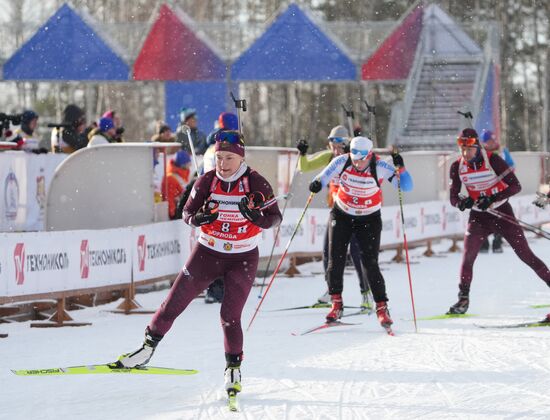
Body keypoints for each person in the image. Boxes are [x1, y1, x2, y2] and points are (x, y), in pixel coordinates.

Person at [117, 130, 282, 399]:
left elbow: (275, 217)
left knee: (230, 316)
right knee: (173, 303)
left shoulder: (255, 182)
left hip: (242, 257)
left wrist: (257, 218)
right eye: (218, 157)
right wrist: (200, 218)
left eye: (228, 158)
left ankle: (233, 369)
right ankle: (145, 349)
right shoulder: (207, 180)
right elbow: (186, 213)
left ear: (240, 158)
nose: (222, 163)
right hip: (207, 252)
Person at [308, 136, 413, 329]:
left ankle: (382, 307)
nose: (357, 163)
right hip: (342, 214)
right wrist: (316, 184)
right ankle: (336, 304)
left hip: (369, 218)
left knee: (370, 263)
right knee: (335, 260)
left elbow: (406, 187)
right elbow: (323, 178)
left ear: (370, 154)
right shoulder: (342, 160)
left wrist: (402, 168)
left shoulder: (380, 166)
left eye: (361, 159)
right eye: (354, 158)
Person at [447, 128, 550, 315]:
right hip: (478, 217)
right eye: (461, 148)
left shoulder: (493, 160)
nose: (465, 153)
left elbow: (515, 186)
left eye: (469, 148)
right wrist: (464, 202)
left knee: (526, 255)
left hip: (501, 212)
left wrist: (492, 199)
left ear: (477, 146)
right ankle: (463, 299)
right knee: (468, 256)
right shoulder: (457, 166)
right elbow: (453, 197)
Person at [297, 125, 373, 311]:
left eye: (340, 145)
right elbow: (305, 167)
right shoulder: (329, 158)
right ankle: (332, 292)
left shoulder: (354, 160)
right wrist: (302, 153)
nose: (335, 149)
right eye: (332, 144)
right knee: (329, 253)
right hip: (337, 212)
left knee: (357, 254)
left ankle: (366, 293)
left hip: (357, 213)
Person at [478, 130, 515, 253]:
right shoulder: (480, 153)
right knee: (482, 214)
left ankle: (497, 242)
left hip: (500, 188)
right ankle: (483, 243)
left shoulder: (502, 151)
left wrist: (505, 173)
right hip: (484, 188)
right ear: (484, 142)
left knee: (500, 216)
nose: (493, 143)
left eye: (493, 140)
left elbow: (512, 165)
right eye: (489, 141)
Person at [161, 150, 192, 220]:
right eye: (188, 163)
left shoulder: (183, 175)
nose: (190, 166)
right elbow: (169, 197)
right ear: (183, 164)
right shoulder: (170, 178)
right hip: (177, 213)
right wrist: (173, 214)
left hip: (183, 210)